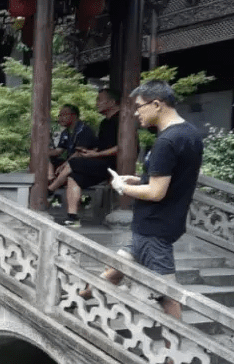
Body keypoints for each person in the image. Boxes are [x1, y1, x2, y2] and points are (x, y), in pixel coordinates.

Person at [81, 80, 203, 319]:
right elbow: (173, 178)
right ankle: (78, 298)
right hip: (165, 222)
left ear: (157, 104)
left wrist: (121, 187)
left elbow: (157, 192)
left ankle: (176, 354)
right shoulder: (190, 133)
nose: (136, 113)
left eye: (140, 107)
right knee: (117, 267)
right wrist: (138, 180)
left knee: (166, 295)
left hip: (154, 226)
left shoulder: (166, 142)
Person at [57, 89, 133, 227]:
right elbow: (101, 146)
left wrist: (95, 154)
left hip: (116, 164)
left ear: (111, 102)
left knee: (74, 162)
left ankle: (50, 189)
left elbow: (122, 147)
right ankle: (72, 217)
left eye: (99, 99)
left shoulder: (122, 120)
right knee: (74, 177)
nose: (96, 103)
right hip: (100, 163)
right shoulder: (105, 123)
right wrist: (89, 152)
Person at [48, 104, 97, 186]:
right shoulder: (65, 132)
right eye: (59, 115)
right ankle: (50, 178)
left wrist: (65, 164)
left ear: (74, 116)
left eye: (64, 115)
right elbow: (58, 151)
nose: (60, 118)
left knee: (72, 164)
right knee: (44, 159)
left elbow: (79, 153)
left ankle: (51, 187)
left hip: (83, 165)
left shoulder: (84, 130)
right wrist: (41, 153)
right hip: (69, 163)